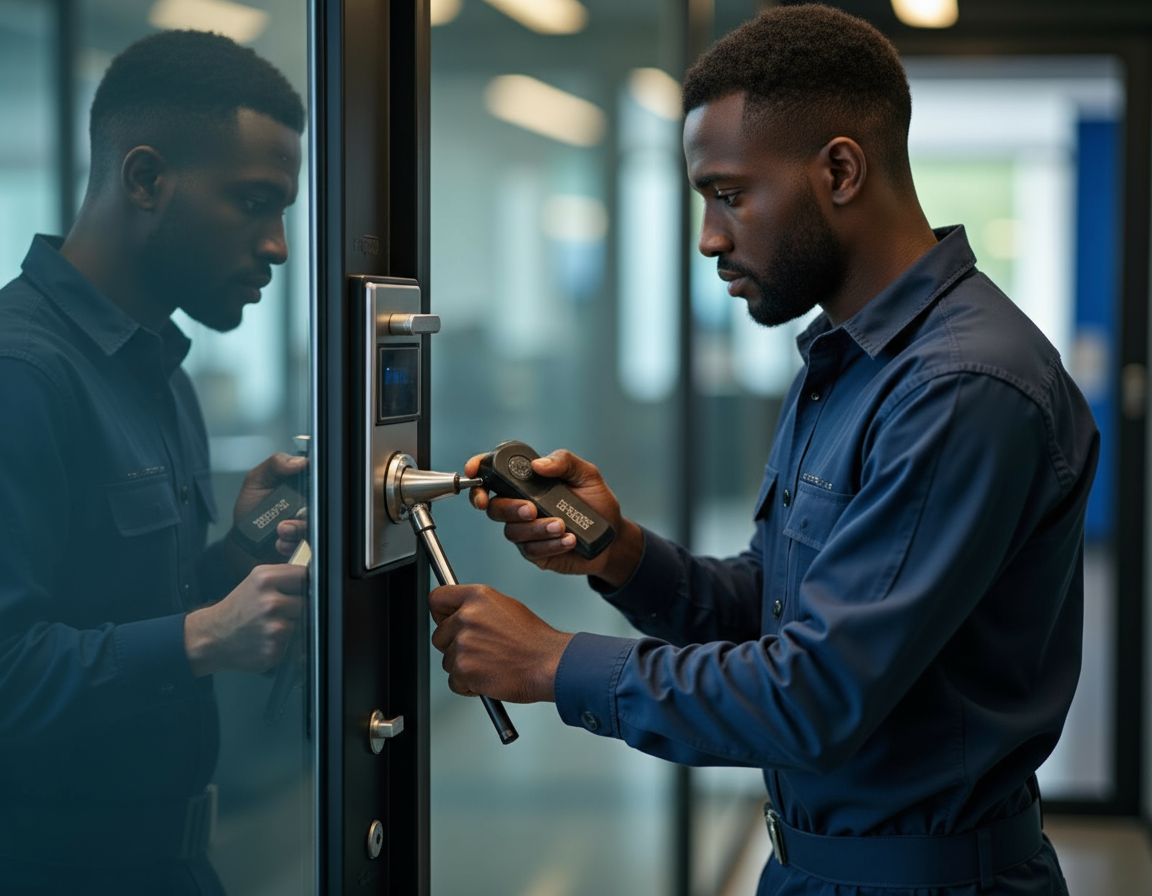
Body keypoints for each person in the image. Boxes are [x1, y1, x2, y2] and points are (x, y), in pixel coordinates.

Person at [428, 6, 1099, 895]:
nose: (709, 236)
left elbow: (815, 694)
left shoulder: (962, 387)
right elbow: (779, 608)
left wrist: (552, 663)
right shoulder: (849, 360)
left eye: (730, 194)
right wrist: (623, 555)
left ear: (840, 170)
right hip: (810, 869)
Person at [0, 30, 307, 896]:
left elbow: (131, 611)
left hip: (173, 864)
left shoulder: (158, 373)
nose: (279, 246)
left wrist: (231, 567)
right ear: (144, 179)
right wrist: (208, 635)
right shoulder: (20, 374)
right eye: (254, 203)